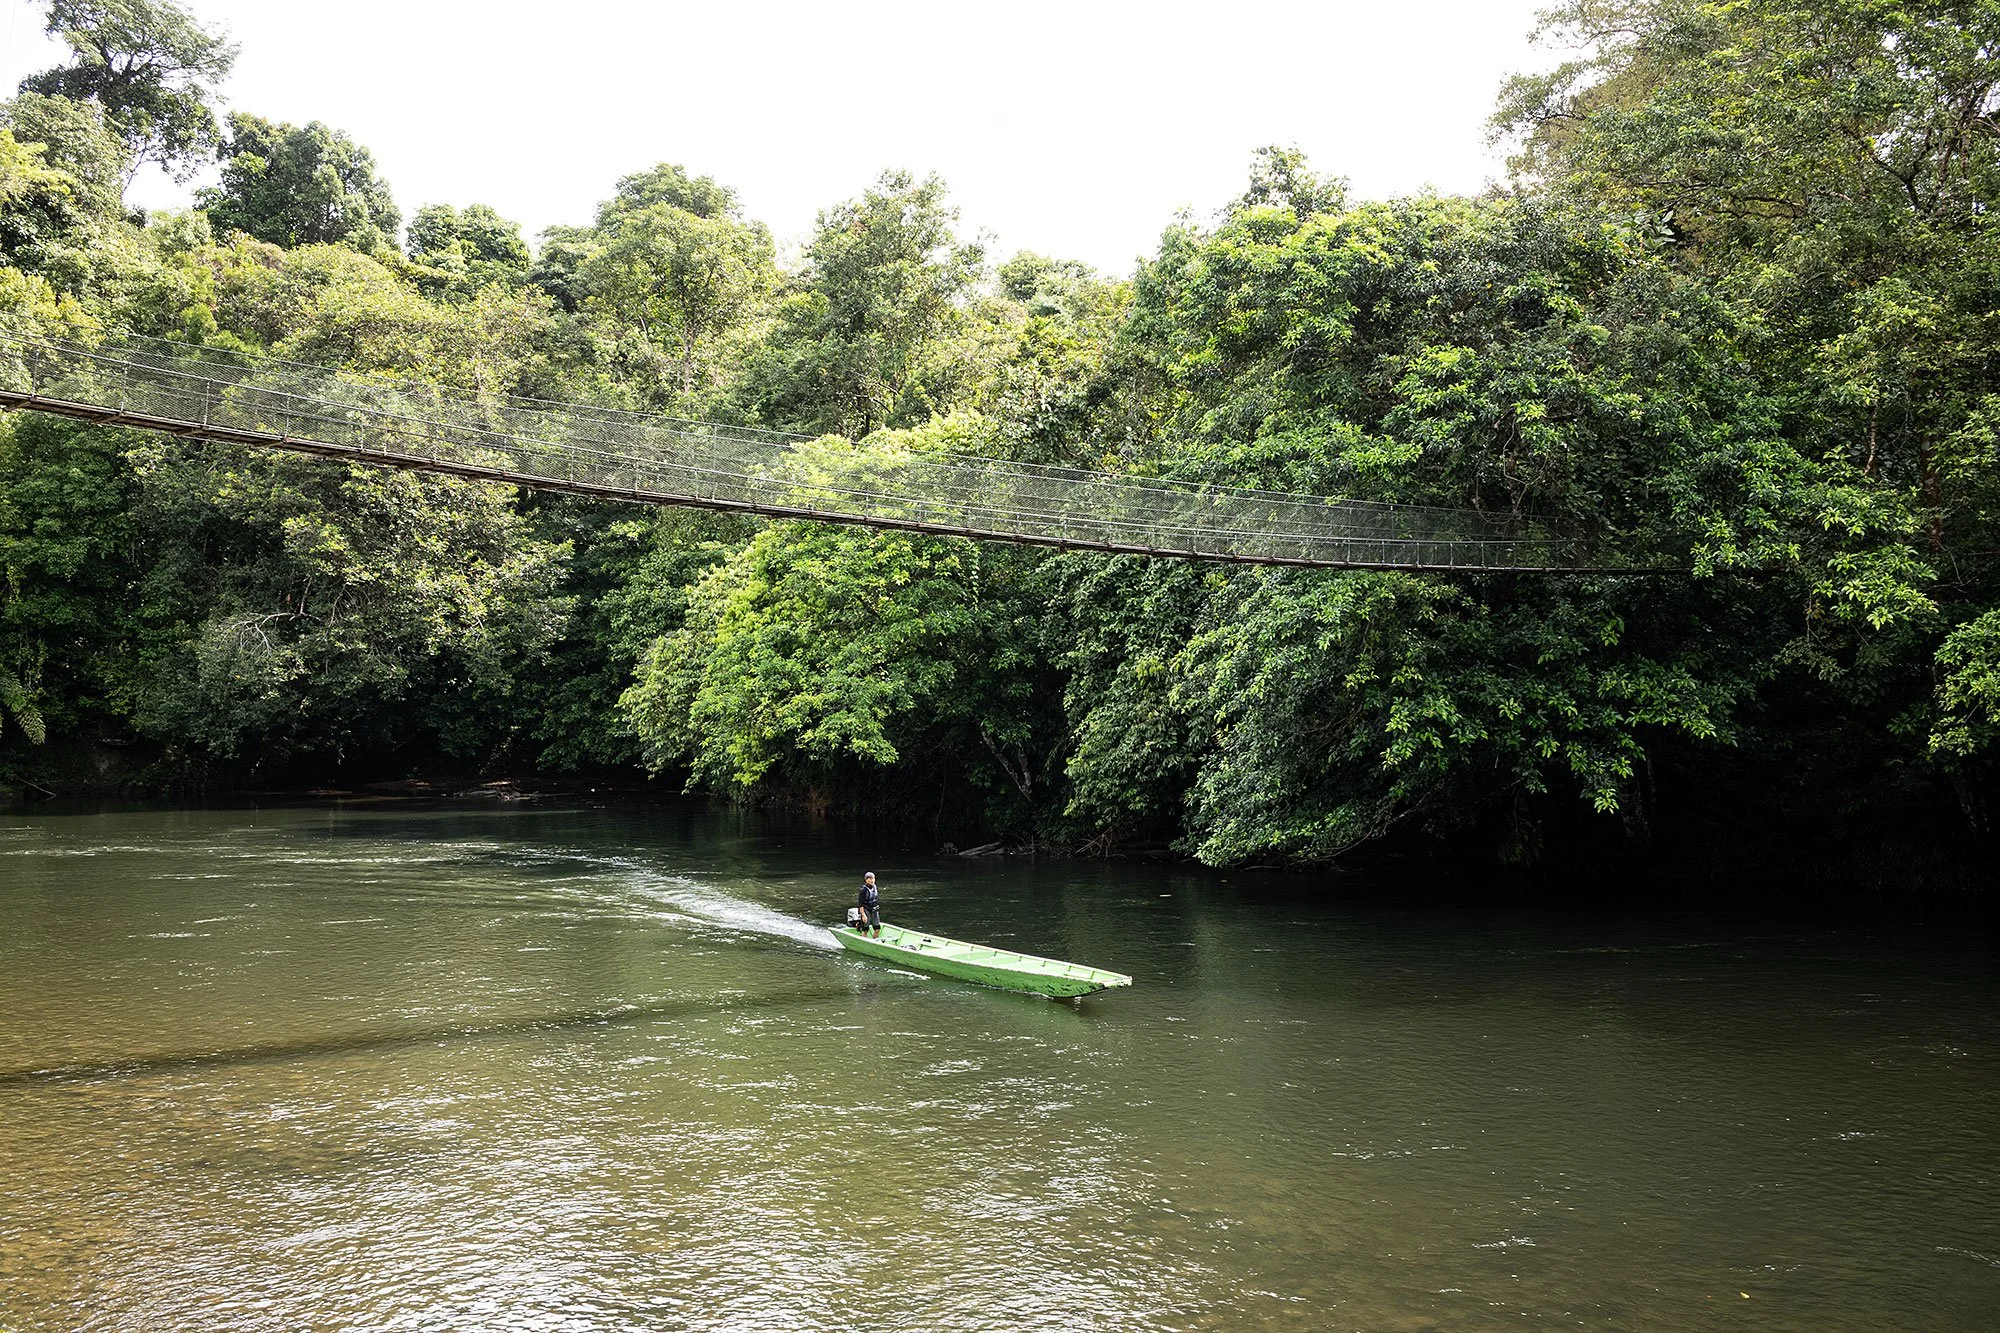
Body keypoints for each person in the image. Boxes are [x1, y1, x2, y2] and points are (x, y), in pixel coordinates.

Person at [857, 871, 882, 938]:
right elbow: (860, 904)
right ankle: (863, 940)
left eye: (873, 878)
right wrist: (863, 915)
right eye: (870, 879)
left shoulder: (875, 887)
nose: (872, 880)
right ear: (866, 880)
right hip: (866, 910)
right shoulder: (863, 890)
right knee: (865, 929)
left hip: (874, 910)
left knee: (877, 928)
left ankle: (874, 941)